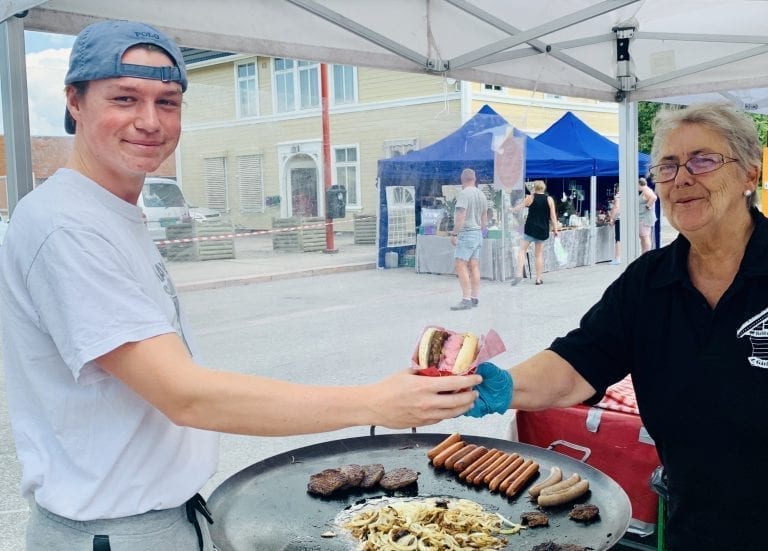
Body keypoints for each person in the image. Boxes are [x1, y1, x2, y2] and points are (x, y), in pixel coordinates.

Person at [0, 21, 482, 551]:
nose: (148, 121)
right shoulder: (65, 226)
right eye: (124, 98)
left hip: (162, 519)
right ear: (74, 101)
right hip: (116, 534)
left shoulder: (110, 213)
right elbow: (184, 395)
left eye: (168, 102)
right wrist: (374, 402)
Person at [465, 102, 768, 550]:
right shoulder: (648, 282)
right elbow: (577, 363)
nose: (682, 177)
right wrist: (500, 386)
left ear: (750, 175)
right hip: (696, 527)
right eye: (667, 166)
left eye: (703, 160)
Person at [449, 168, 488, 310]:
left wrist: (454, 233)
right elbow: (485, 218)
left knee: (460, 264)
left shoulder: (464, 194)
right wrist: (482, 231)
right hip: (477, 233)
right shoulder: (481, 195)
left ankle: (466, 299)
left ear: (462, 180)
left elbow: (461, 216)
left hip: (467, 233)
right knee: (474, 265)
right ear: (475, 179)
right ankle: (474, 297)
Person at [510, 180, 558, 285]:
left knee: (522, 250)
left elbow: (519, 207)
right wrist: (556, 229)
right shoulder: (549, 199)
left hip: (530, 229)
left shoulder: (530, 198)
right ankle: (538, 279)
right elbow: (553, 216)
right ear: (544, 188)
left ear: (534, 188)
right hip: (542, 229)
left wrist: (512, 209)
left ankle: (518, 275)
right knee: (538, 254)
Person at [638, 176, 658, 253]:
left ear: (640, 184)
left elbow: (654, 197)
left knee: (645, 236)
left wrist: (648, 206)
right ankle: (644, 252)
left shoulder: (647, 191)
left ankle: (646, 252)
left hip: (645, 218)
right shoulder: (645, 191)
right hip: (643, 217)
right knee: (643, 236)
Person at [608, 189, 621, 264]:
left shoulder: (618, 196)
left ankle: (617, 258)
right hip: (627, 219)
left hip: (619, 219)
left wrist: (612, 218)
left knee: (618, 239)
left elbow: (616, 207)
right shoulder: (629, 194)